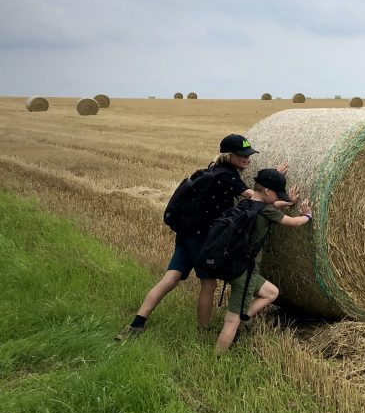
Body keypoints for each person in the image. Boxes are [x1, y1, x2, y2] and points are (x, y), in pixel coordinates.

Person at [117, 134, 287, 340]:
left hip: (186, 232)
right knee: (208, 285)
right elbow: (259, 200)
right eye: (242, 155)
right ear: (229, 155)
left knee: (170, 278)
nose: (247, 159)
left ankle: (138, 323)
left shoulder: (213, 170)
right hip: (200, 238)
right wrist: (275, 184)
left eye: (248, 155)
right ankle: (203, 332)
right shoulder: (228, 176)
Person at [215, 168, 312, 354]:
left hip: (233, 263)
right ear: (268, 191)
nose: (278, 197)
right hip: (245, 270)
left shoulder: (246, 203)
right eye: (277, 193)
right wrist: (307, 215)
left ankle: (242, 321)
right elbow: (293, 222)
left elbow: (273, 205)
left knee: (271, 292)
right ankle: (216, 358)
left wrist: (287, 201)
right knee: (231, 320)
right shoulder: (267, 209)